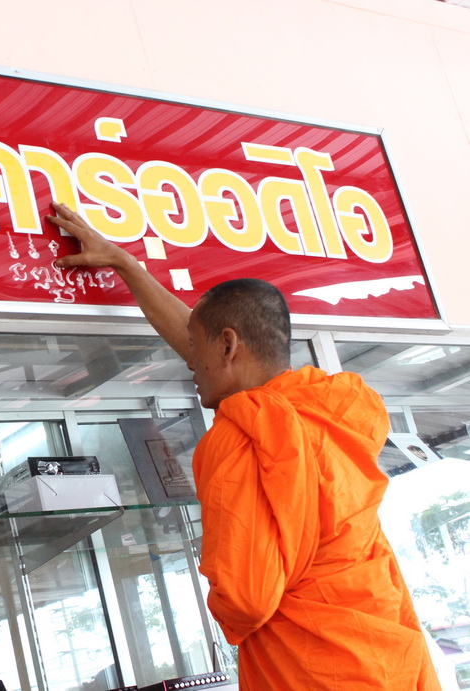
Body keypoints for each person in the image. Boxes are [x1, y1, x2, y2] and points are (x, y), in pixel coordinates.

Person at [45, 202, 441, 691]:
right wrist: (126, 265)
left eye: (196, 348)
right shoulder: (337, 404)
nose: (190, 362)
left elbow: (245, 599)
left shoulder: (242, 434)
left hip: (315, 672)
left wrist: (216, 597)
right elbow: (218, 354)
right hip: (388, 658)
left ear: (228, 346)